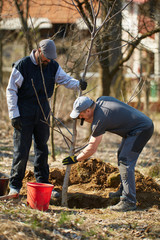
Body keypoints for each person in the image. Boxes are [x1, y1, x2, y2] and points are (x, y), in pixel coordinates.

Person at [6, 39, 87, 198]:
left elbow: (65, 80)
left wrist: (78, 84)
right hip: (24, 110)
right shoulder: (22, 66)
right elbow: (11, 91)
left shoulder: (52, 66)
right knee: (21, 150)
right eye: (46, 57)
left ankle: (42, 184)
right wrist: (14, 115)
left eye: (51, 58)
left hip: (43, 110)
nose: (48, 61)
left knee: (42, 149)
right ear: (39, 51)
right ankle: (14, 187)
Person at [62, 96, 154, 211]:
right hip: (135, 128)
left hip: (141, 130)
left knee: (125, 161)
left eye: (81, 114)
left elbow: (92, 148)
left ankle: (129, 201)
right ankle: (123, 190)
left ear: (88, 110)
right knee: (121, 155)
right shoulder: (102, 100)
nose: (80, 117)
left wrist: (75, 159)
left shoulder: (100, 119)